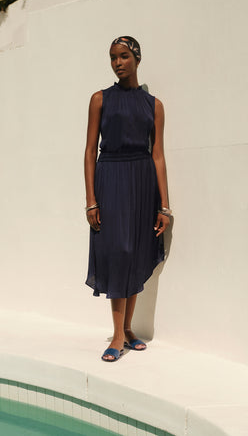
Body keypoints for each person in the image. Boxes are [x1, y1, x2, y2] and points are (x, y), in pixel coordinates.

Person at [84, 36, 171, 362]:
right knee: (117, 252)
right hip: (111, 178)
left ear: (136, 58)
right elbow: (91, 151)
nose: (117, 63)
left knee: (133, 252)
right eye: (112, 58)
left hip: (142, 180)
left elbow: (158, 155)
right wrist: (91, 199)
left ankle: (128, 329)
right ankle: (118, 334)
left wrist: (164, 205)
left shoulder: (154, 105)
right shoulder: (99, 99)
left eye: (123, 56)